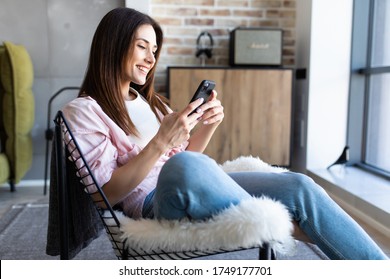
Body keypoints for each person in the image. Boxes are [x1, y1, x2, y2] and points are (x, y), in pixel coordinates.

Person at [62, 7, 388, 260]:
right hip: (151, 203)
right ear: (113, 46)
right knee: (185, 168)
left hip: (188, 183)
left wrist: (207, 126)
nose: (151, 58)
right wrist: (161, 141)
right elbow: (103, 193)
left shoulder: (151, 102)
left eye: (154, 49)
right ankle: (282, 226)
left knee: (300, 185)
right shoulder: (84, 111)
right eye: (142, 47)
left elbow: (187, 158)